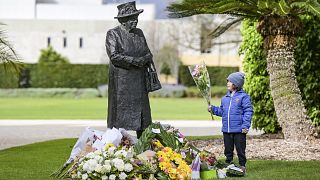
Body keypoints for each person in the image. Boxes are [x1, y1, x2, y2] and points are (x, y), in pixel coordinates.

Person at [105, 1, 154, 138]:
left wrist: (145, 59)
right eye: (132, 19)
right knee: (120, 118)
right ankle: (116, 147)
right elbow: (114, 56)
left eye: (136, 18)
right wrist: (135, 61)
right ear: (123, 20)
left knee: (143, 118)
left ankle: (144, 146)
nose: (135, 21)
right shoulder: (113, 34)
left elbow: (148, 52)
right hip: (122, 84)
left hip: (139, 82)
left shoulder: (139, 33)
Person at [208, 72, 253, 173]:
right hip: (227, 130)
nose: (228, 83)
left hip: (239, 130)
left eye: (230, 81)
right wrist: (213, 109)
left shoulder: (244, 97)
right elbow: (222, 112)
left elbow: (248, 112)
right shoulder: (225, 98)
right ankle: (229, 163)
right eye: (227, 81)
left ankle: (242, 165)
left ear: (236, 84)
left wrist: (245, 126)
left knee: (240, 149)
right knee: (228, 150)